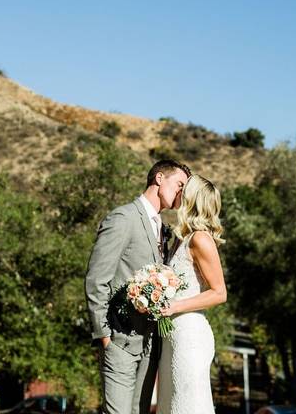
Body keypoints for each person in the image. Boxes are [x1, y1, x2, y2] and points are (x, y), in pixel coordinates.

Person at [85, 159, 191, 414]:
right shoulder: (123, 218)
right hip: (120, 342)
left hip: (150, 344)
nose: (181, 195)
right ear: (159, 179)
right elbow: (96, 279)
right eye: (179, 185)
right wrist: (105, 336)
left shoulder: (163, 229)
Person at [157, 174, 227, 414]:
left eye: (183, 188)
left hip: (190, 337)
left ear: (191, 198)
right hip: (171, 336)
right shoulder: (182, 238)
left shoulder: (200, 239)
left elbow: (219, 293)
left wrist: (176, 306)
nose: (178, 191)